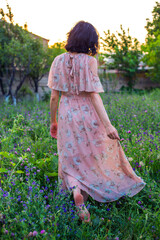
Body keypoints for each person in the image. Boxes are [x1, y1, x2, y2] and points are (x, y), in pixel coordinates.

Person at [48, 21, 146, 222]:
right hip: (89, 114)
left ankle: (76, 191)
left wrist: (53, 121)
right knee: (91, 156)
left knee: (70, 159)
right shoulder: (90, 62)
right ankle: (83, 196)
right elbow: (94, 96)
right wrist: (108, 125)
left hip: (67, 115)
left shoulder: (57, 60)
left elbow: (53, 97)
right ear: (91, 41)